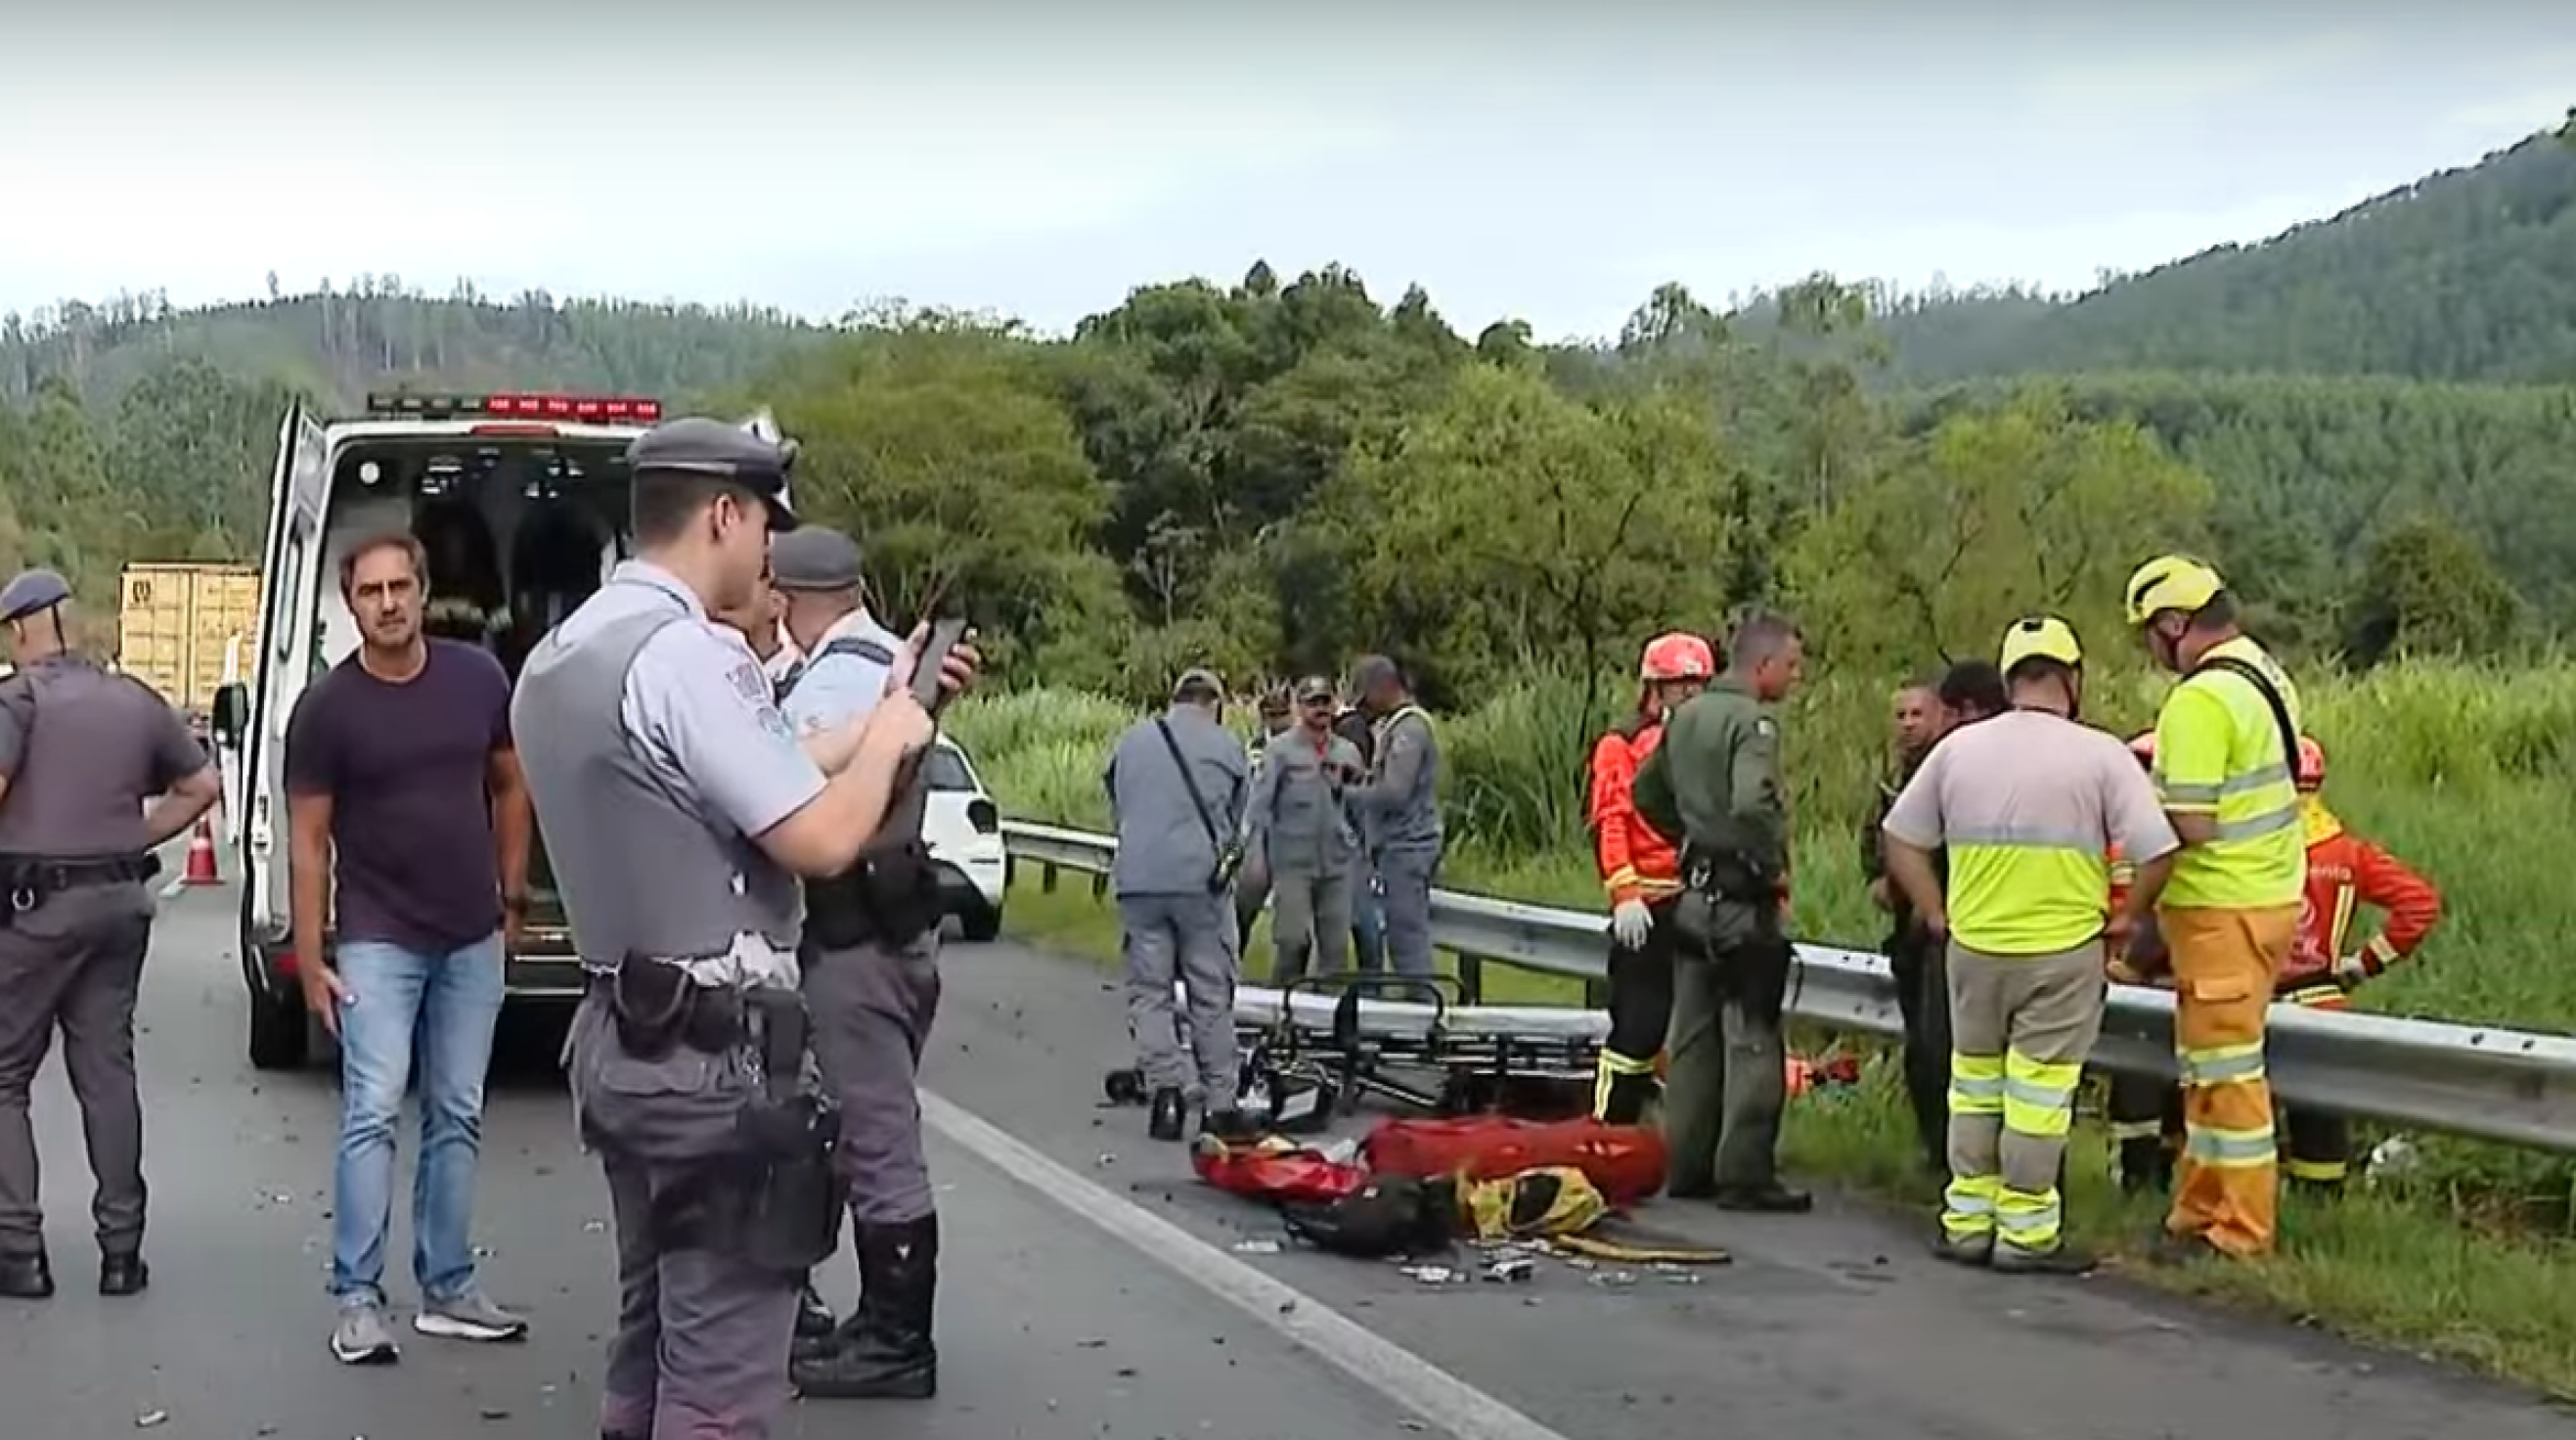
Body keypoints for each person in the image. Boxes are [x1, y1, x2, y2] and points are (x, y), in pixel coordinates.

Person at [511, 417, 969, 1440]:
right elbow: (822, 837)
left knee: (651, 1332)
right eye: (764, 523)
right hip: (715, 1061)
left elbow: (755, 758)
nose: (770, 552)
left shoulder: (566, 652)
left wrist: (869, 717)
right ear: (724, 513)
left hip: (621, 1036)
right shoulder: (690, 657)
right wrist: (896, 736)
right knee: (721, 1380)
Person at [286, 530, 534, 1363]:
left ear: (423, 592)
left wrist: (514, 894)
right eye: (369, 592)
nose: (387, 603)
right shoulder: (327, 709)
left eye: (400, 587)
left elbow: (509, 782)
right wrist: (311, 955)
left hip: (471, 933)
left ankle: (449, 1286)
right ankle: (357, 1299)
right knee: (372, 1111)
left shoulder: (478, 679)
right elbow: (309, 840)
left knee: (458, 1111)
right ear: (349, 603)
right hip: (376, 939)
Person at [1882, 616, 2178, 1274]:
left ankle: (1966, 1224)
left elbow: (1900, 838)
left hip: (1974, 946)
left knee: (1975, 1086)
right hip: (2062, 949)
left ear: (2011, 677)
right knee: (2039, 1095)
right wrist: (2128, 917)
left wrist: (1935, 912)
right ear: (2072, 679)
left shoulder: (1958, 750)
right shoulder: (2101, 754)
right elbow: (2158, 850)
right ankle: (2026, 1233)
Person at [0, 570, 221, 1301]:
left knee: (4, 1077)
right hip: (119, 905)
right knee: (107, 1074)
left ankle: (20, 1254)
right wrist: (132, 835)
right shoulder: (133, 699)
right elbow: (202, 787)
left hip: (36, 911)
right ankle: (122, 1254)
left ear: (23, 628)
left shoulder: (17, 699)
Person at [764, 525, 948, 1401]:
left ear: (790, 596)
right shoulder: (884, 663)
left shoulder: (837, 680)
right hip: (896, 924)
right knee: (865, 1131)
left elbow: (777, 783)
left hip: (853, 935)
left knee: (875, 1139)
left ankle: (896, 1339)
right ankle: (880, 1326)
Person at [2109, 734, 2443, 1193]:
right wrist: (2363, 965)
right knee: (2318, 1128)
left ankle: (2207, 1201)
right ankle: (2318, 1215)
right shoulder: (2347, 852)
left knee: (2218, 1110)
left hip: (2245, 998)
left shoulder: (2243, 850)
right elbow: (2419, 904)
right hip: (2320, 1003)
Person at [2124, 555, 2304, 1261]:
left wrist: (2128, 814)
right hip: (2260, 897)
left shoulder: (2200, 699)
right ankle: (2195, 1213)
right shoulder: (2263, 672)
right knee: (2206, 1072)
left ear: (2174, 625)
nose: (2151, 649)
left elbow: (2189, 822)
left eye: (2149, 634)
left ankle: (2238, 1231)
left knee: (2227, 1079)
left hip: (2223, 906)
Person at [1631, 609, 1810, 1211]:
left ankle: (1684, 1163)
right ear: (1762, 665)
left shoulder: (1684, 719)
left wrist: (1690, 835)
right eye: (1790, 665)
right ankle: (1745, 1172)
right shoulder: (1752, 724)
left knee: (1692, 1036)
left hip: (1692, 896)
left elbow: (1645, 795)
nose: (1794, 677)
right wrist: (1770, 862)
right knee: (1753, 1034)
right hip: (1741, 900)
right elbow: (1753, 802)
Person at [1105, 668, 1251, 1142]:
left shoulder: (1131, 741)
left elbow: (1117, 800)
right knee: (1210, 994)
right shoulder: (1226, 746)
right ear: (1216, 702)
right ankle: (1220, 1106)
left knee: (1151, 993)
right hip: (1200, 886)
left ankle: (1166, 1096)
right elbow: (1240, 820)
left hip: (1139, 881)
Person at [1587, 632, 1715, 1125]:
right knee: (1638, 1028)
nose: (1690, 696)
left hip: (1700, 897)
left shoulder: (1707, 742)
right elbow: (1611, 819)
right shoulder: (1621, 744)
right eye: (1680, 686)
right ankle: (1608, 1129)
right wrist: (1624, 892)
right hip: (1646, 902)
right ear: (1654, 689)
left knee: (1694, 1029)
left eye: (1697, 686)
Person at [1857, 674, 1953, 1171]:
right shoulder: (1893, 778)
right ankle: (1929, 1145)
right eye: (1901, 715)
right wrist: (1876, 877)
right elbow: (1873, 835)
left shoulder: (1950, 770)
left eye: (1918, 714)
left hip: (1939, 925)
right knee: (1919, 1045)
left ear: (1940, 715)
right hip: (1905, 930)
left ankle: (1946, 1148)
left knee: (1940, 1048)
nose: (1909, 724)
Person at [1248, 676, 1365, 985]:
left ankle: (1326, 1018)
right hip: (1293, 862)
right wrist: (1257, 855)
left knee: (1336, 948)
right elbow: (1260, 807)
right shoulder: (1280, 751)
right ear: (1300, 707)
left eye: (1325, 702)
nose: (1321, 709)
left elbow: (1362, 808)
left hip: (1337, 862)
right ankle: (1281, 1009)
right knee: (1292, 941)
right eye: (1313, 702)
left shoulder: (1348, 751)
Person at [1342, 655, 1443, 977]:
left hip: (1407, 846)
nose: (1364, 708)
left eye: (1366, 697)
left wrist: (1346, 795)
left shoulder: (1409, 730)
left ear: (1382, 688)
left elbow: (1395, 792)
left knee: (1407, 939)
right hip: (1397, 846)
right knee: (1401, 936)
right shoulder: (1397, 726)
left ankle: (1423, 1013)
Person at [1234, 687, 1297, 954]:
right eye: (1272, 716)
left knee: (1293, 910)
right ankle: (1236, 951)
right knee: (1247, 899)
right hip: (1259, 829)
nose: (1278, 722)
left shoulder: (1298, 745)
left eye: (1282, 715)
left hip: (1291, 831)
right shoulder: (1255, 747)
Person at [1331, 694, 1388, 971]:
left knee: (1361, 922)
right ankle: (1372, 979)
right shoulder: (1357, 732)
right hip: (1352, 850)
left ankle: (1370, 979)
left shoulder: (1344, 735)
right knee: (1366, 923)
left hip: (1349, 851)